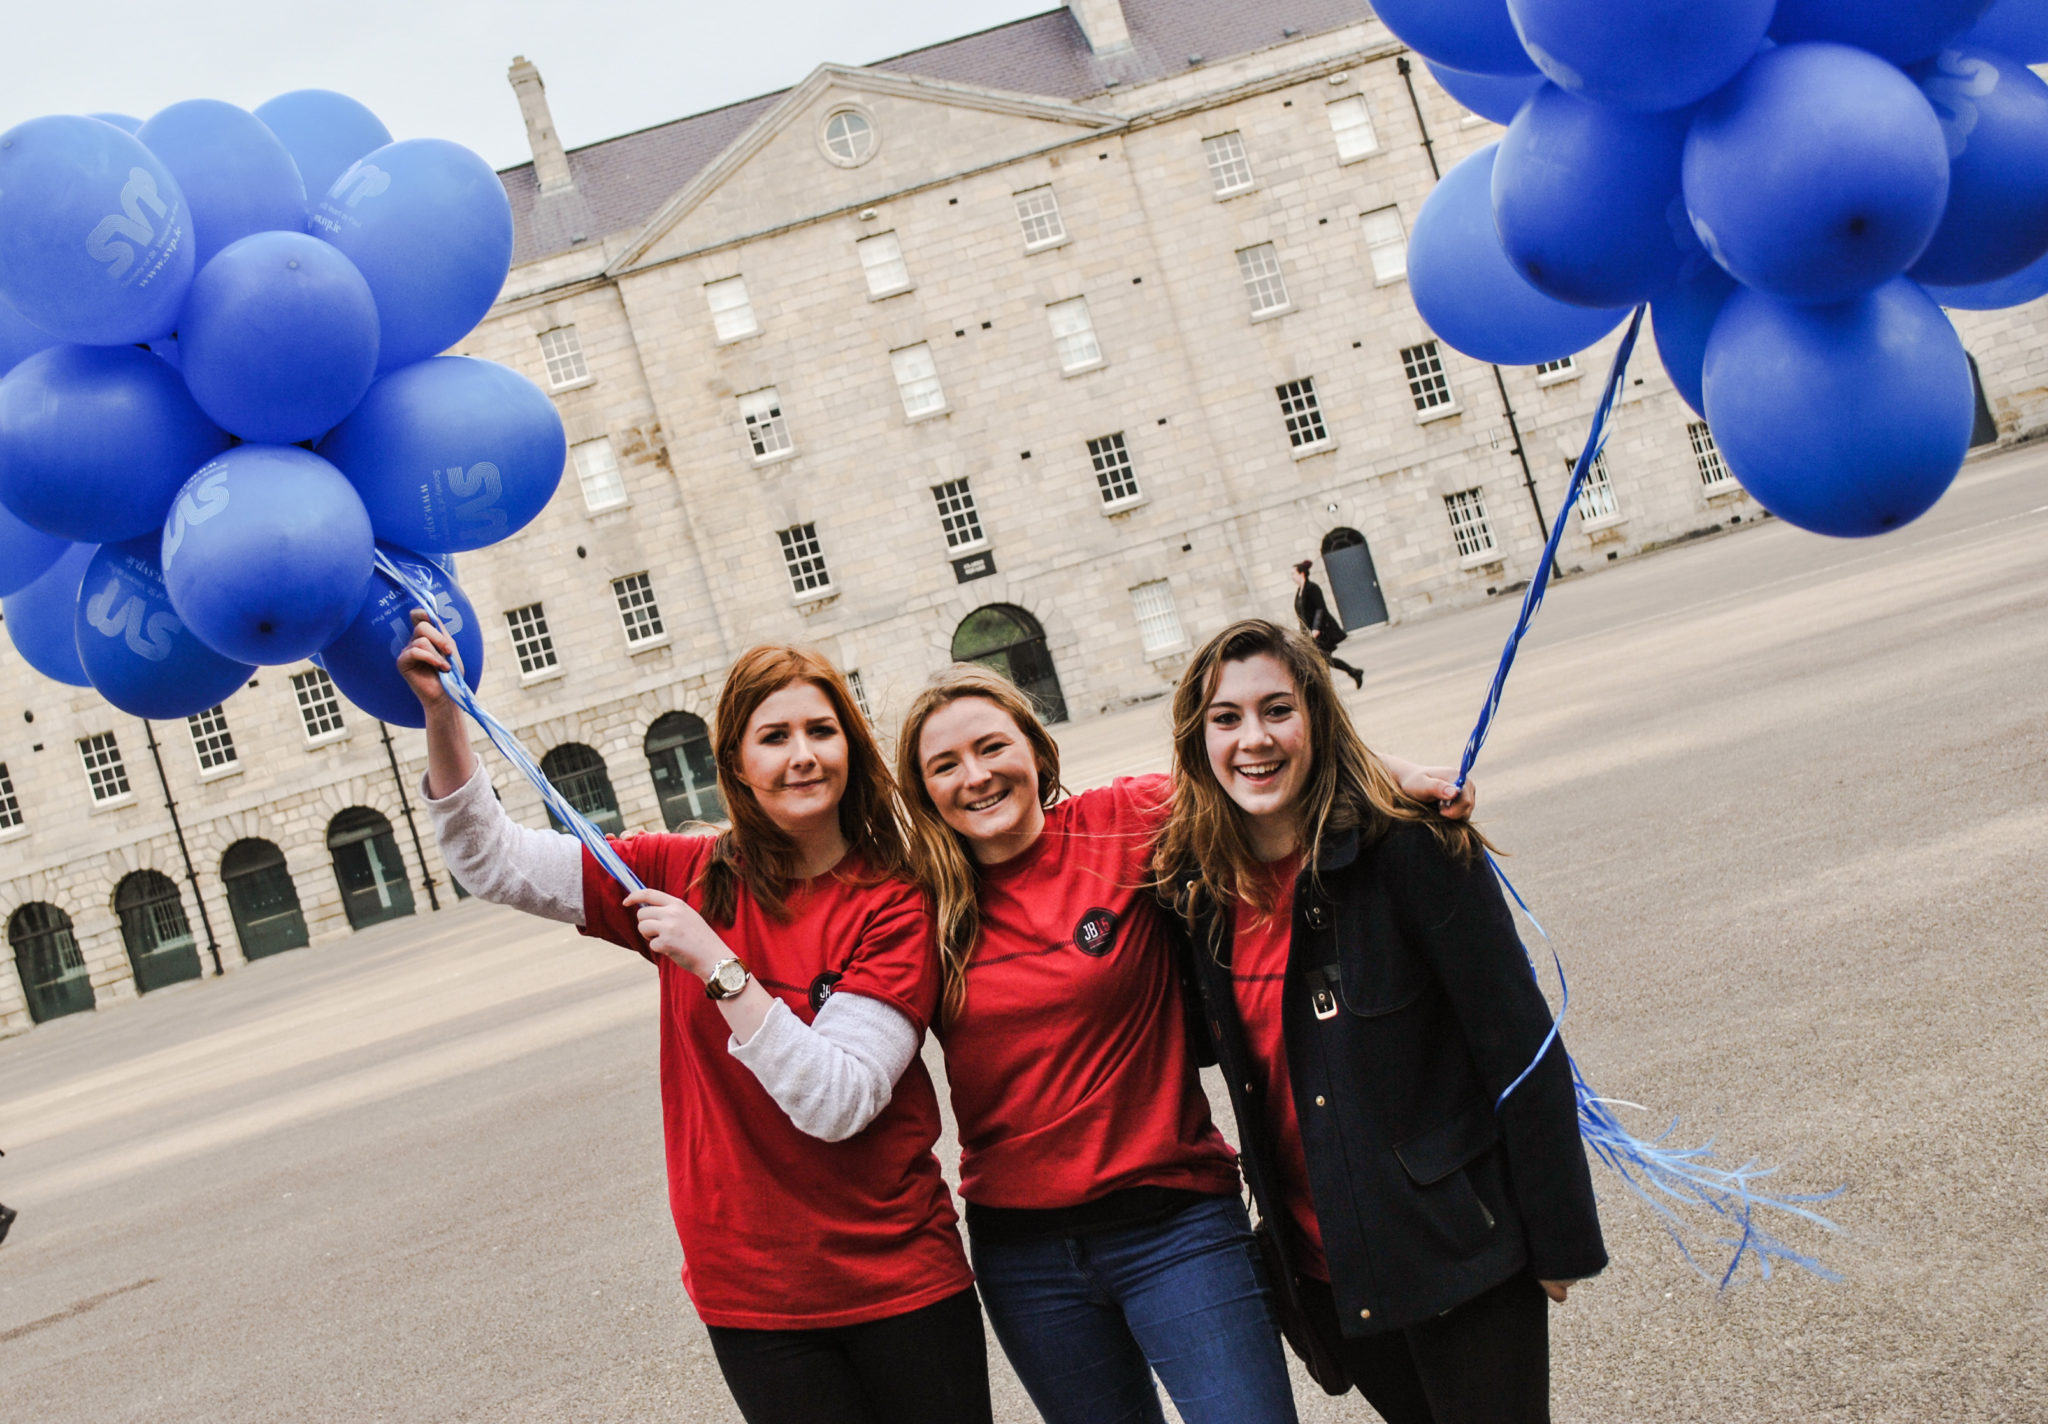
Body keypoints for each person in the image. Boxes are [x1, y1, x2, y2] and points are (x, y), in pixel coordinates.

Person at [399, 616, 989, 1424]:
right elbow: (492, 861)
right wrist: (441, 714)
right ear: (738, 766)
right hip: (753, 1292)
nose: (801, 755)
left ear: (852, 748)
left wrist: (717, 965)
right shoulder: (683, 872)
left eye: (821, 731)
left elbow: (837, 1101)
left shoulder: (896, 899)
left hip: (898, 1278)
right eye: (773, 737)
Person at [896, 663, 1475, 1424]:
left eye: (992, 747)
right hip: (1027, 1259)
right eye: (945, 765)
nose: (976, 776)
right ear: (923, 790)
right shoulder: (921, 897)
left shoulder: (1121, 822)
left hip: (1176, 1229)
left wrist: (1404, 778)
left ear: (1035, 749)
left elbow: (1258, 769)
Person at [1153, 619, 1605, 1424]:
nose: (1252, 739)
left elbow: (1521, 1049)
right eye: (1226, 718)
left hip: (1455, 1251)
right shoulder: (1197, 891)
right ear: (1198, 738)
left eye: (1277, 710)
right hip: (1330, 1272)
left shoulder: (1413, 849)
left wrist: (1559, 1242)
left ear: (1317, 719)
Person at [1293, 560, 1364, 690]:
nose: (1292, 576)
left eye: (1294, 573)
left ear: (1301, 573)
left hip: (1322, 631)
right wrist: (1302, 634)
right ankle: (1353, 672)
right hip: (1310, 634)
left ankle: (1327, 689)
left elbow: (1320, 608)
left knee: (1322, 660)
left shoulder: (1312, 588)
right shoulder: (1299, 592)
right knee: (1325, 660)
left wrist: (1316, 628)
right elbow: (1301, 615)